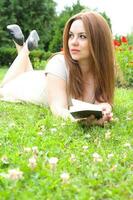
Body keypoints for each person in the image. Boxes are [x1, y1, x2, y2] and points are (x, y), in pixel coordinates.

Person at [0, 11, 115, 126]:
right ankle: (25, 48)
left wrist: (106, 107)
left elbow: (101, 102)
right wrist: (81, 121)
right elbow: (58, 108)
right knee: (3, 88)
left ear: (99, 41)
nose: (73, 42)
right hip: (26, 86)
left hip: (42, 79)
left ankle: (21, 45)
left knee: (28, 72)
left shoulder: (103, 71)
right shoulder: (58, 63)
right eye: (71, 35)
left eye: (82, 36)